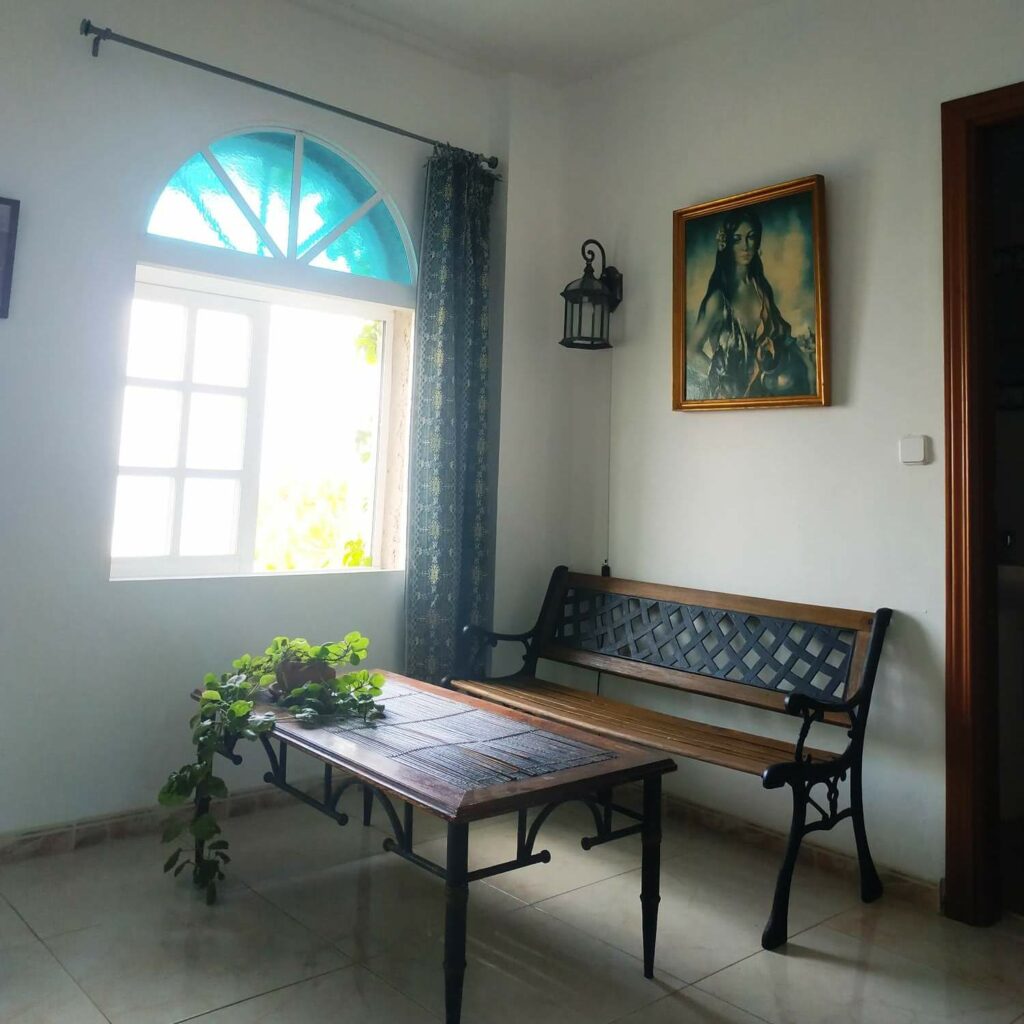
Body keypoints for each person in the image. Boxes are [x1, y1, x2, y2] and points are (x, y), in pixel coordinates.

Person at [687, 207, 810, 399]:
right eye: (737, 239)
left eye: (751, 237)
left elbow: (779, 334)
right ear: (726, 244)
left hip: (763, 389)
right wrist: (721, 375)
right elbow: (690, 351)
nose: (745, 246)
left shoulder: (760, 288)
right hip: (732, 398)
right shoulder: (718, 299)